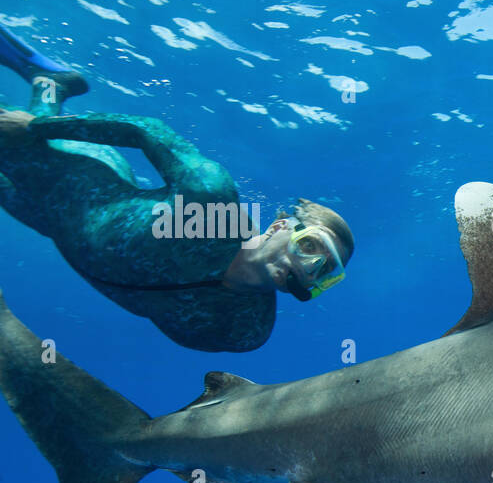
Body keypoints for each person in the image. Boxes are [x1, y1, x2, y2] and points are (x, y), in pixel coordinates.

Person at [0, 24, 353, 352]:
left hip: (54, 225)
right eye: (309, 245)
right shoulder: (211, 206)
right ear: (279, 227)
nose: (311, 266)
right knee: (15, 142)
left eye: (324, 271)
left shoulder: (245, 328)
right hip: (75, 182)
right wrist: (38, 127)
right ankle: (49, 88)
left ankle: (51, 83)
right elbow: (147, 130)